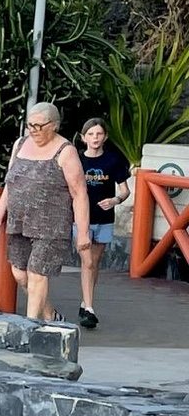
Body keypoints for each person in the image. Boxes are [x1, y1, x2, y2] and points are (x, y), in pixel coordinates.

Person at [0, 101, 90, 324]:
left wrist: (83, 232)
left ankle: (30, 326)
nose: (34, 130)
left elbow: (79, 193)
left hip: (51, 225)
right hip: (19, 221)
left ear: (54, 125)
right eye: (30, 125)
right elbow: (10, 183)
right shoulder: (20, 144)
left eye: (39, 126)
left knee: (37, 274)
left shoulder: (66, 151)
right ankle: (50, 315)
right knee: (20, 274)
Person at [76, 116, 131, 329]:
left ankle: (85, 302)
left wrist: (115, 200)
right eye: (91, 134)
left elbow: (125, 190)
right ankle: (89, 308)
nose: (95, 138)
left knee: (94, 262)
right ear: (83, 138)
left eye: (99, 134)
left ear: (105, 136)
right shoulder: (77, 160)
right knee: (87, 262)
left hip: (104, 218)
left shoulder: (112, 160)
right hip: (81, 218)